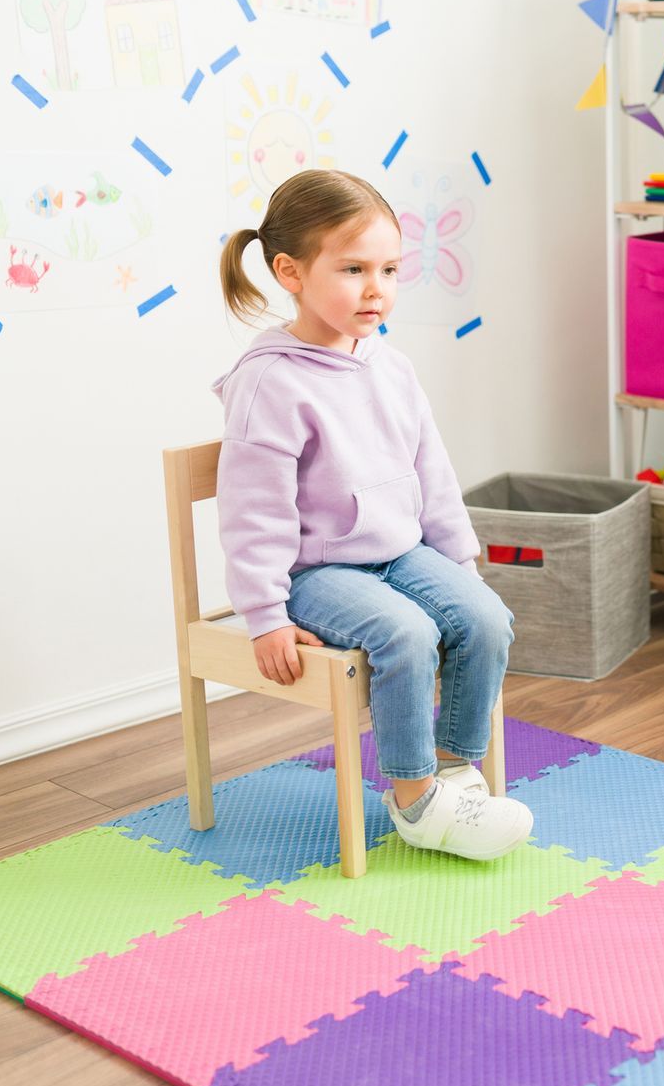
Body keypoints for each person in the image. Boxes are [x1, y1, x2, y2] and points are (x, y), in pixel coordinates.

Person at [214, 169, 532, 861]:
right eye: (353, 268)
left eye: (389, 269)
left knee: (484, 616)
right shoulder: (270, 381)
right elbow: (252, 510)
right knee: (407, 635)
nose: (376, 287)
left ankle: (454, 773)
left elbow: (432, 472)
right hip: (316, 569)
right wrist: (264, 612)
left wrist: (460, 558)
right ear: (290, 272)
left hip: (399, 550)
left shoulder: (391, 365)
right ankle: (416, 802)